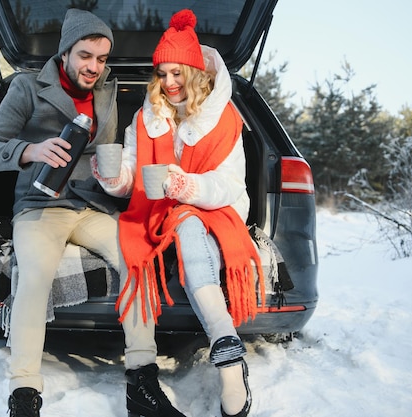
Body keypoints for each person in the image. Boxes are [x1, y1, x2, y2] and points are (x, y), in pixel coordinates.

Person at [92, 9, 264, 417]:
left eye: (177, 73)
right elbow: (132, 172)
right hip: (162, 211)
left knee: (188, 220)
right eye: (162, 73)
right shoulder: (146, 117)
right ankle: (228, 347)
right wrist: (113, 178)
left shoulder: (224, 120)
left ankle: (225, 349)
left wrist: (191, 187)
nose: (168, 83)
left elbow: (231, 185)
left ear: (195, 72)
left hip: (217, 209)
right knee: (182, 221)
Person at [0, 9, 121, 417]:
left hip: (92, 206)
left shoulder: (108, 92)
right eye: (86, 55)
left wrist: (118, 178)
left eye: (102, 58)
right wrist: (30, 150)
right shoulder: (26, 87)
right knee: (34, 275)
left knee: (137, 261)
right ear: (66, 52)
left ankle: (142, 374)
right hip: (40, 206)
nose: (94, 66)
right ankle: (23, 389)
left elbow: (108, 154)